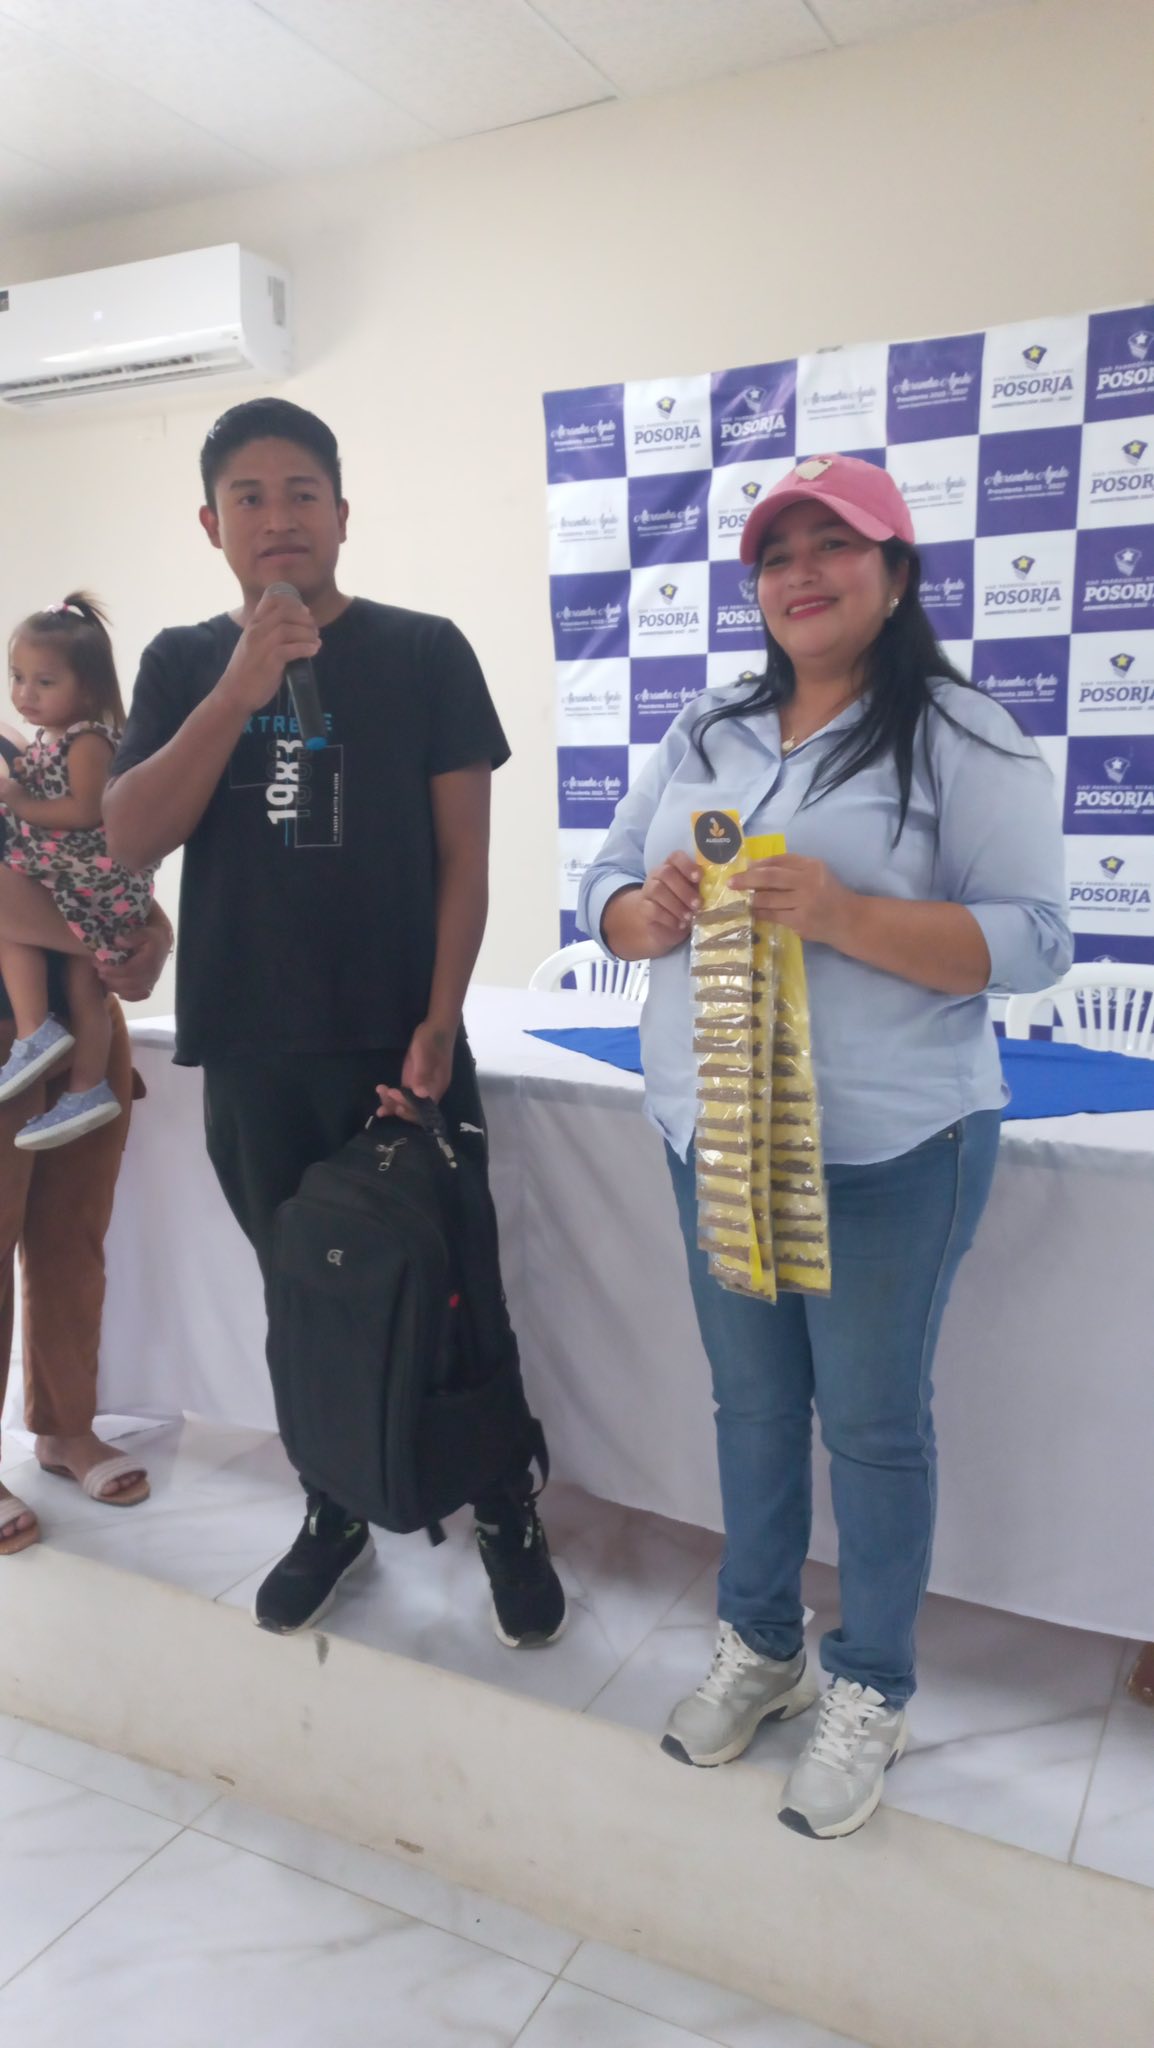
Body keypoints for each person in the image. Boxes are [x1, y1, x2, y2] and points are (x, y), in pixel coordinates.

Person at [579, 453, 1071, 1838]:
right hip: (713, 1130)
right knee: (748, 1407)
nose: (799, 573)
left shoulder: (961, 735)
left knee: (868, 1425)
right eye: (775, 553)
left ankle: (869, 1682)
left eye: (833, 546)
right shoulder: (710, 728)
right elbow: (603, 879)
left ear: (894, 573)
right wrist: (641, 914)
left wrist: (846, 913)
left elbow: (1036, 940)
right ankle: (761, 1645)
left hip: (887, 1144)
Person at [104, 396, 566, 1645]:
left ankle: (502, 1505)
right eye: (248, 497)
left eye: (301, 491)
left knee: (454, 1282)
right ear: (211, 524)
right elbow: (130, 832)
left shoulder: (423, 650)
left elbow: (465, 860)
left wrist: (439, 1018)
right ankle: (333, 1501)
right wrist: (240, 685)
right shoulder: (182, 661)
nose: (277, 517)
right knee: (305, 1295)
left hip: (396, 1038)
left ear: (343, 514)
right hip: (252, 1047)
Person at [0, 721, 173, 1554]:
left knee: (73, 1238)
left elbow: (96, 858)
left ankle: (66, 1427)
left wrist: (155, 937)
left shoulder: (29, 747)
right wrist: (105, 939)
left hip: (86, 1033)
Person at [0, 596, 154, 1151]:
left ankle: (49, 1046)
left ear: (87, 689)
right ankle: (73, 1073)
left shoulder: (84, 739)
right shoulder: (45, 742)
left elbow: (87, 813)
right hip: (78, 886)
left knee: (77, 976)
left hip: (84, 881)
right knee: (79, 976)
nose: (25, 693)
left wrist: (19, 799)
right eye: (17, 678)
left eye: (43, 682)